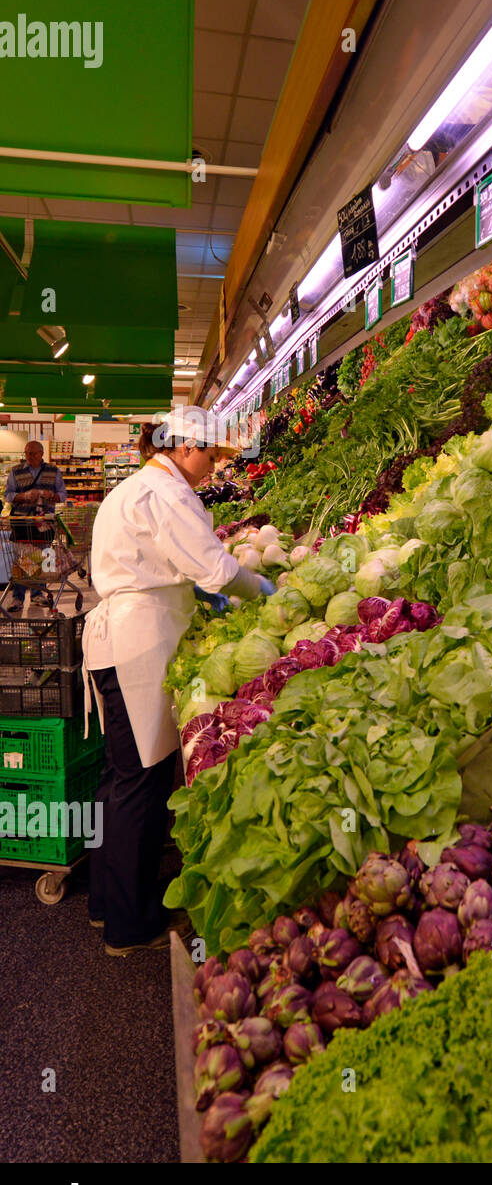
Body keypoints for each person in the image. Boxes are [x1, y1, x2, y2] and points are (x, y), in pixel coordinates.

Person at [82, 407, 274, 956]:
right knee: (140, 783)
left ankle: (105, 903)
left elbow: (168, 564)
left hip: (125, 641)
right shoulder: (167, 494)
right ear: (186, 446)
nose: (214, 468)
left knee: (120, 780)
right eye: (212, 456)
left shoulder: (139, 487)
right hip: (136, 646)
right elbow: (214, 566)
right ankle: (130, 922)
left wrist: (194, 593)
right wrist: (259, 589)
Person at [4, 439, 67, 611]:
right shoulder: (16, 471)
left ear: (41, 454)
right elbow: (8, 494)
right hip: (21, 522)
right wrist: (23, 497)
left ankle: (38, 593)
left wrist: (52, 495)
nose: (29, 456)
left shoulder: (53, 471)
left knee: (43, 557)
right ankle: (18, 597)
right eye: (26, 453)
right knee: (21, 560)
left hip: (44, 523)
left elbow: (63, 494)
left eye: (32, 453)